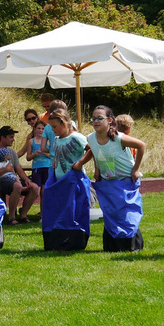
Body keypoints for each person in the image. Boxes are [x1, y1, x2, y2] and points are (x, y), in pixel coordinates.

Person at [73, 106, 146, 251]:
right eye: (93, 118)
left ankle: (132, 244)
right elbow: (95, 151)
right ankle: (112, 245)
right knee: (111, 212)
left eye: (100, 118)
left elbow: (141, 145)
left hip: (125, 180)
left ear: (110, 120)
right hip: (107, 181)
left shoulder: (118, 138)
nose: (96, 121)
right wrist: (95, 168)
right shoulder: (91, 138)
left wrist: (136, 169)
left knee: (126, 212)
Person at [41, 108, 92, 251]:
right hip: (59, 181)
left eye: (55, 126)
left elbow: (91, 149)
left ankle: (73, 240)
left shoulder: (76, 137)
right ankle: (57, 240)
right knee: (59, 209)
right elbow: (57, 154)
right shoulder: (56, 140)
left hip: (73, 181)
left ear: (64, 123)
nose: (53, 130)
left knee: (72, 210)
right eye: (51, 127)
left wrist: (80, 163)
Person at [0, 126, 39, 224]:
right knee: (17, 186)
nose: (13, 139)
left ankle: (23, 215)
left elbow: (18, 168)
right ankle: (11, 218)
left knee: (34, 187)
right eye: (11, 137)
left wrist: (26, 179)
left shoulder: (12, 152)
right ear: (2, 137)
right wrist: (6, 169)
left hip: (12, 178)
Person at [21, 119, 50, 212]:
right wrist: (34, 154)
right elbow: (28, 157)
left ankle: (43, 213)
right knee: (37, 190)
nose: (40, 130)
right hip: (37, 168)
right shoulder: (31, 142)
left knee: (44, 191)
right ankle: (24, 209)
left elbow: (53, 155)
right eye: (38, 128)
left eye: (42, 128)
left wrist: (45, 154)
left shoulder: (48, 142)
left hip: (47, 167)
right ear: (35, 129)